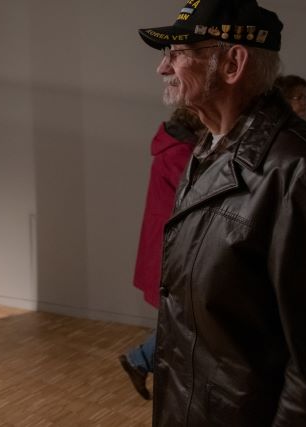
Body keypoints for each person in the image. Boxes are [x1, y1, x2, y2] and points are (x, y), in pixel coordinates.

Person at [138, 0, 306, 425]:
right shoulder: (209, 148)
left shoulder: (301, 172)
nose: (162, 67)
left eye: (179, 52)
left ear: (232, 63)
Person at [119, 107, 204, 400]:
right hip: (173, 244)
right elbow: (195, 197)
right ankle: (141, 360)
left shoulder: (174, 149)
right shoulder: (179, 153)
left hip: (169, 242)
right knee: (185, 317)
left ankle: (141, 360)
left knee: (183, 317)